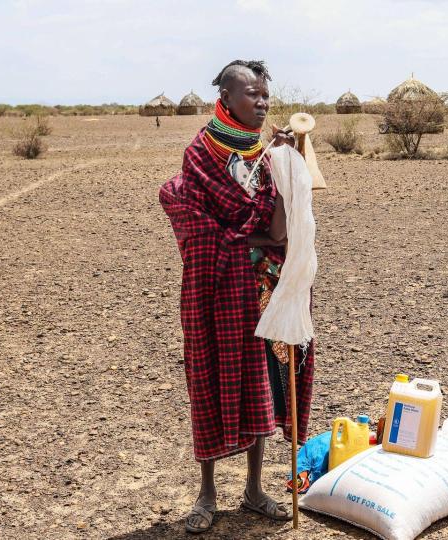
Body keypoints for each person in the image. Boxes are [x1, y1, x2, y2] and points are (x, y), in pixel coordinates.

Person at [159, 60, 315, 534]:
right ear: (226, 98)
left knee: (260, 380)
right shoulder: (200, 154)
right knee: (211, 376)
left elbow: (278, 230)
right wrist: (242, 240)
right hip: (215, 286)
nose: (262, 102)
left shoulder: (267, 154)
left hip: (263, 286)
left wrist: (287, 167)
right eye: (252, 94)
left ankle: (254, 490)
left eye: (266, 94)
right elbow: (189, 216)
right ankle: (206, 493)